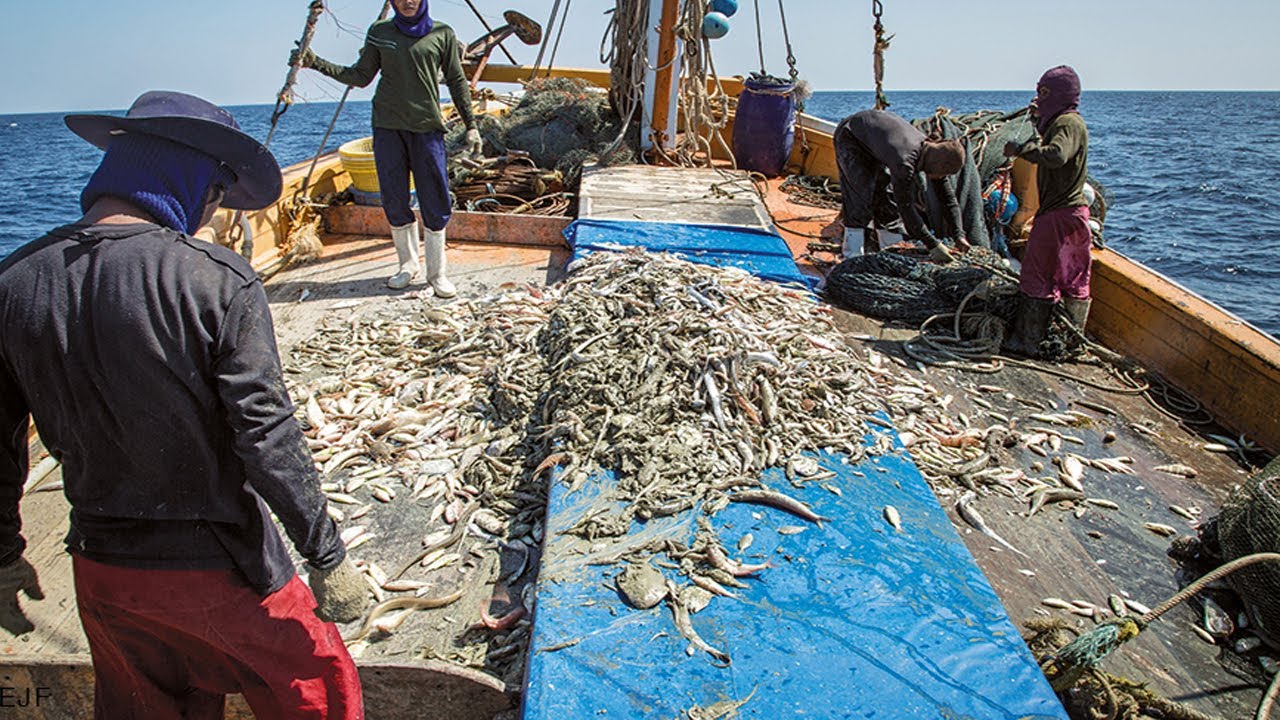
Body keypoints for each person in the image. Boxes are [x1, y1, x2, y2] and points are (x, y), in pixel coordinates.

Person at [0, 90, 370, 719]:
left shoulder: (12, 281)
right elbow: (266, 434)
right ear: (190, 180)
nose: (212, 212)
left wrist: (6, 556)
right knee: (321, 692)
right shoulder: (214, 279)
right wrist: (326, 555)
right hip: (220, 567)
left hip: (102, 571)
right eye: (216, 195)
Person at [294, 0, 482, 296]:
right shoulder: (380, 32)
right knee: (393, 198)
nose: (408, 2)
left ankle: (437, 273)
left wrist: (471, 125)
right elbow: (359, 76)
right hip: (387, 127)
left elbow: (457, 81)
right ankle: (407, 265)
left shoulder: (443, 33)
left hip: (427, 128)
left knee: (435, 198)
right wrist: (314, 62)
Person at [1001, 65, 1091, 357]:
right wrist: (1038, 122)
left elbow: (1057, 155)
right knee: (1074, 277)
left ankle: (1026, 342)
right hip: (1074, 214)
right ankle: (1072, 344)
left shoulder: (1067, 123)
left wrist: (1020, 151)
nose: (1037, 99)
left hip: (1057, 215)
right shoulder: (1066, 121)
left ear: (1057, 94)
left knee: (1037, 275)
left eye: (1042, 93)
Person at [833, 109, 970, 263]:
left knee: (887, 201)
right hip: (851, 135)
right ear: (940, 164)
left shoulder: (929, 153)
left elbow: (948, 199)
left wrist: (960, 235)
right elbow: (906, 208)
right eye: (944, 173)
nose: (942, 178)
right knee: (860, 198)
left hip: (875, 139)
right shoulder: (905, 162)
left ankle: (892, 253)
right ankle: (852, 257)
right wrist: (933, 245)